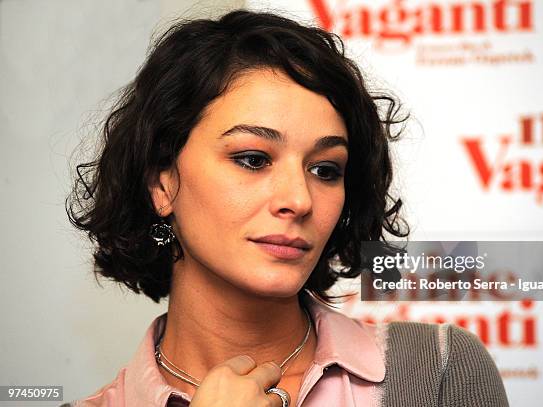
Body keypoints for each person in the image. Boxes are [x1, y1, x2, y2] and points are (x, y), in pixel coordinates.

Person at [65, 9, 508, 407]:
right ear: (161, 184)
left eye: (325, 170)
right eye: (253, 160)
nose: (299, 200)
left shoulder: (439, 372)